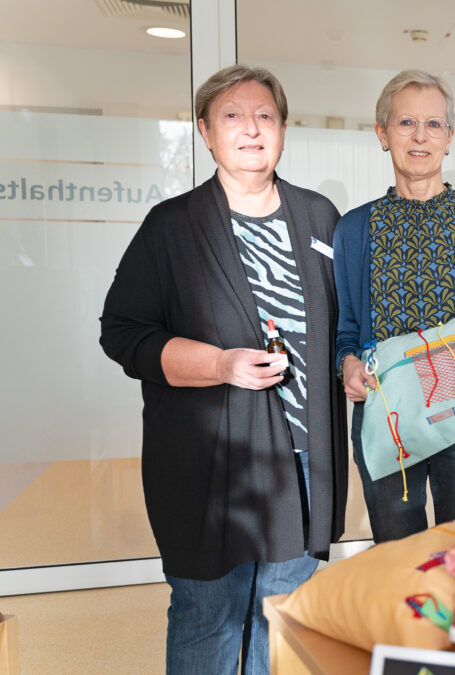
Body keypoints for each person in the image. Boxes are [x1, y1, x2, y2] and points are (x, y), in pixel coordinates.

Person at [99, 65, 347, 673]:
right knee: (208, 613)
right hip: (208, 463)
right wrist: (218, 363)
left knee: (284, 614)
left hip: (302, 462)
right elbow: (123, 333)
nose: (251, 129)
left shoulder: (320, 218)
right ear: (206, 133)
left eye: (265, 115)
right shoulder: (172, 226)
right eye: (232, 116)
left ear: (283, 130)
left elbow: (345, 326)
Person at [334, 70, 455, 543]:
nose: (420, 137)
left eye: (434, 125)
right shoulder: (355, 228)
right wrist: (347, 363)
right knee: (399, 563)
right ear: (382, 133)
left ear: (450, 138)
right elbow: (347, 330)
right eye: (406, 123)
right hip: (387, 416)